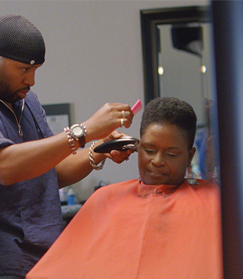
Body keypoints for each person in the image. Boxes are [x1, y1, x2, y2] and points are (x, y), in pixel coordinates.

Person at [0, 14, 136, 279]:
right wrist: (83, 131)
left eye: (35, 70)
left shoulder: (24, 100)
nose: (31, 81)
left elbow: (49, 169)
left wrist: (99, 148)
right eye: (24, 70)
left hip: (44, 249)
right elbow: (1, 166)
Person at [26, 97, 223, 279]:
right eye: (149, 150)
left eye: (171, 154)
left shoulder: (215, 200)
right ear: (137, 146)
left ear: (189, 156)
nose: (157, 161)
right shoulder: (105, 198)